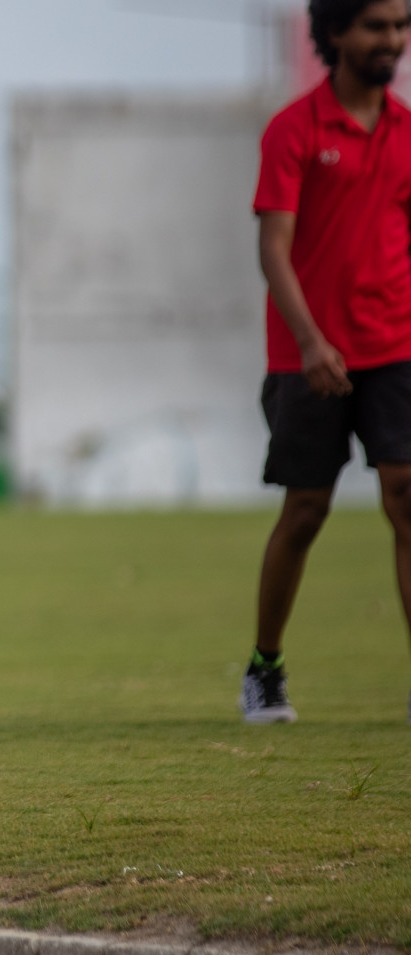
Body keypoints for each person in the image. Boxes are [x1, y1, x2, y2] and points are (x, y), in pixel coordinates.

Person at [244, 0, 411, 723]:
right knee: (305, 510)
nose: (393, 40)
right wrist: (310, 341)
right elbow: (272, 246)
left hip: (395, 343)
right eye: (377, 25)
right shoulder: (295, 129)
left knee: (407, 500)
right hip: (306, 353)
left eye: (402, 26)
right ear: (336, 32)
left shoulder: (408, 132)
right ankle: (264, 668)